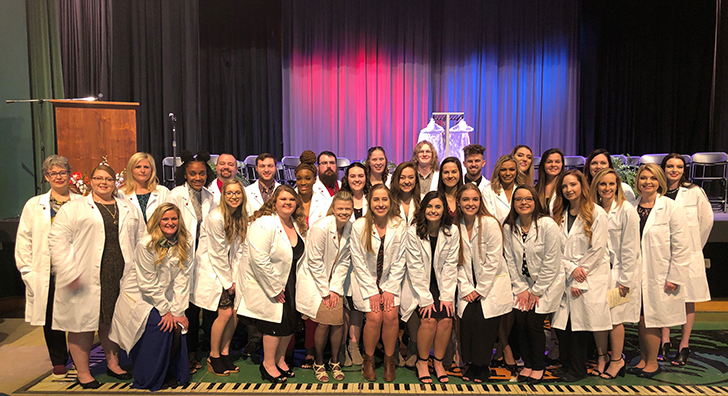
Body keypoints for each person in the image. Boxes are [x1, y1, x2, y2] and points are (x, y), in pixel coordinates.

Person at [50, 164, 146, 388]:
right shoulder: (74, 208)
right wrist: (67, 269)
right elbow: (58, 240)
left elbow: (141, 237)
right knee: (81, 324)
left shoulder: (127, 207)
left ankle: (113, 364)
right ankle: (83, 371)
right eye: (98, 178)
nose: (103, 182)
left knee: (112, 320)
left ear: (116, 183)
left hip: (119, 272)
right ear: (91, 181)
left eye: (108, 179)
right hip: (83, 273)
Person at [112, 203, 193, 390]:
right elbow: (147, 283)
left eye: (174, 218)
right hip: (141, 298)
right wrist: (166, 311)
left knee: (178, 325)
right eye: (165, 219)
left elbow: (183, 278)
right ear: (157, 221)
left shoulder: (184, 242)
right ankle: (149, 377)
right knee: (162, 326)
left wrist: (179, 311)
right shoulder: (145, 244)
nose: (170, 223)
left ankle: (171, 373)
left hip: (165, 297)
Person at [15, 155, 80, 378]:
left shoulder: (81, 202)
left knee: (78, 314)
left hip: (74, 269)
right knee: (52, 316)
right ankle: (59, 359)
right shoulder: (34, 205)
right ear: (46, 177)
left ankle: (80, 354)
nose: (59, 177)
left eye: (62, 172)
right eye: (53, 173)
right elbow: (24, 238)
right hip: (48, 271)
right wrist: (26, 269)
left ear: (70, 174)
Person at [237, 185, 308, 383]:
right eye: (283, 199)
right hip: (271, 284)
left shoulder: (295, 224)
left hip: (292, 282)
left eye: (291, 200)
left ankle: (280, 360)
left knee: (289, 324)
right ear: (274, 202)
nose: (287, 203)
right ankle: (268, 364)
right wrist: (274, 288)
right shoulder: (264, 224)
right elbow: (258, 259)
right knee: (274, 327)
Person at [627, 164, 690, 378]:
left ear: (659, 182)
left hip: (660, 274)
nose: (647, 182)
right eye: (643, 178)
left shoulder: (670, 207)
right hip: (637, 274)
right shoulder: (632, 207)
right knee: (642, 318)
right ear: (637, 182)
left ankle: (652, 362)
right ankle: (644, 359)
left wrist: (675, 276)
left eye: (652, 178)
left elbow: (682, 245)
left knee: (653, 319)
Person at [550, 170, 610, 382]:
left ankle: (577, 369)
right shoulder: (558, 212)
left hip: (586, 277)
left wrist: (577, 275)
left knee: (579, 327)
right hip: (564, 275)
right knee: (563, 326)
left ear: (582, 186)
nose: (569, 190)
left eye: (573, 185)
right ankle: (566, 365)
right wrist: (569, 269)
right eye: (565, 186)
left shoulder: (597, 213)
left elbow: (598, 249)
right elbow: (555, 248)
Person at [503, 185, 564, 385]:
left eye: (528, 198)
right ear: (514, 204)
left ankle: (538, 366)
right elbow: (510, 260)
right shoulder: (510, 226)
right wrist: (521, 288)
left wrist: (536, 291)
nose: (524, 203)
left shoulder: (547, 225)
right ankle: (527, 364)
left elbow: (552, 262)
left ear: (535, 201)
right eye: (519, 199)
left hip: (547, 285)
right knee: (520, 321)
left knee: (534, 324)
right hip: (522, 286)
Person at [456, 183, 513, 383]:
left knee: (483, 323)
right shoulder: (457, 225)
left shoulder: (489, 223)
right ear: (459, 202)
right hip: (468, 286)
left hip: (490, 286)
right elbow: (457, 261)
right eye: (466, 200)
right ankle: (471, 364)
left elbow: (494, 259)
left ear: (480, 202)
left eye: (474, 199)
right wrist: (466, 288)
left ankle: (482, 367)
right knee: (468, 321)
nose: (470, 203)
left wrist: (480, 289)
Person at [166, 151, 217, 374]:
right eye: (193, 173)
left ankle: (196, 350)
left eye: (202, 173)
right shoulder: (175, 194)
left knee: (200, 306)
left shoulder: (210, 196)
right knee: (183, 307)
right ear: (185, 174)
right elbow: (167, 222)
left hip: (203, 258)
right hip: (181, 256)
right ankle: (184, 354)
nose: (198, 177)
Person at [351, 184, 407, 382]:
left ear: (390, 202)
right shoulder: (359, 226)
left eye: (384, 199)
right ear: (369, 202)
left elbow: (401, 259)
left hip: (391, 281)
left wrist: (390, 289)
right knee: (374, 317)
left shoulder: (399, 225)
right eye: (376, 199)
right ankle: (369, 360)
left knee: (391, 316)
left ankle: (390, 360)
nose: (380, 204)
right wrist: (372, 291)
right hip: (366, 283)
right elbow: (357, 262)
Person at [401, 191, 459, 384]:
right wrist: (426, 299)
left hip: (442, 284)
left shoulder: (452, 231)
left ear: (444, 210)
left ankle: (439, 362)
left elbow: (451, 266)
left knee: (446, 320)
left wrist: (447, 296)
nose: (433, 211)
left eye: (438, 207)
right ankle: (423, 362)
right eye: (430, 206)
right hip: (418, 285)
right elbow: (415, 267)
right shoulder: (413, 231)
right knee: (429, 320)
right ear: (423, 208)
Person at [296, 191, 354, 382]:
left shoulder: (350, 228)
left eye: (348, 209)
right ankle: (319, 362)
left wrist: (335, 289)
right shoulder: (321, 227)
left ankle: (334, 361)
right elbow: (314, 262)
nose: (344, 212)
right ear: (334, 208)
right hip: (314, 281)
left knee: (337, 320)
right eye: (340, 208)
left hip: (332, 284)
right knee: (323, 321)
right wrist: (325, 291)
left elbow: (345, 261)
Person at [191, 180, 248, 376]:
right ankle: (213, 356)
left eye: (237, 193)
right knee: (224, 314)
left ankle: (225, 353)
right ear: (223, 195)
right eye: (230, 193)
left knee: (235, 314)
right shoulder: (216, 217)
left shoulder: (239, 216)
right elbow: (217, 253)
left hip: (230, 272)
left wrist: (236, 277)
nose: (234, 196)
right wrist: (228, 281)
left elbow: (239, 249)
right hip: (213, 272)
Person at [661, 153, 711, 366]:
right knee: (664, 298)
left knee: (687, 298)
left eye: (679, 167)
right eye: (670, 166)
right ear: (663, 169)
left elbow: (706, 221)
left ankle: (684, 344)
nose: (674, 170)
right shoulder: (658, 192)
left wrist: (693, 249)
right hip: (662, 255)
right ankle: (664, 341)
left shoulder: (694, 192)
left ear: (684, 170)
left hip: (688, 254)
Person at [590, 169, 640, 379]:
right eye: (602, 184)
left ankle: (617, 360)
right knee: (598, 317)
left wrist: (625, 280)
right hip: (597, 273)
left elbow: (631, 248)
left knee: (615, 319)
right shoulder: (593, 209)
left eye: (611, 184)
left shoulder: (626, 210)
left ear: (618, 186)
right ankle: (602, 357)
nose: (607, 188)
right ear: (596, 187)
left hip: (618, 274)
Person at [339, 162, 369, 366]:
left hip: (366, 261)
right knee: (345, 306)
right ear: (347, 178)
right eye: (353, 176)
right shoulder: (340, 199)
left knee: (359, 304)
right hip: (343, 261)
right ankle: (342, 347)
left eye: (360, 175)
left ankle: (354, 344)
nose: (357, 179)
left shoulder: (371, 200)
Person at [118, 152, 170, 223]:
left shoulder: (163, 191)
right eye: (138, 167)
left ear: (151, 170)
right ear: (131, 170)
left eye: (146, 167)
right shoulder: (121, 194)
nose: (142, 171)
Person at [297, 150, 331, 228]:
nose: (303, 182)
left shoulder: (323, 201)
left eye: (307, 178)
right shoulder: (289, 201)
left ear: (315, 180)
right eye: (299, 179)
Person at [484, 155, 522, 223]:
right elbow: (489, 219)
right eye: (503, 170)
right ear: (498, 171)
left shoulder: (522, 190)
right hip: (496, 231)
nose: (508, 173)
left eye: (512, 170)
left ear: (517, 171)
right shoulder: (488, 190)